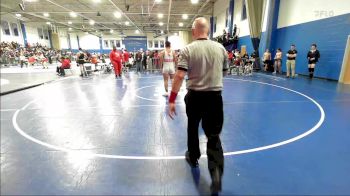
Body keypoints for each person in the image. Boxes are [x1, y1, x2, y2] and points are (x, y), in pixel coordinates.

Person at [168, 17, 228, 194]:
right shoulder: (221, 48)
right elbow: (224, 72)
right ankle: (216, 172)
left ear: (194, 31)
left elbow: (179, 76)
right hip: (215, 97)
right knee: (213, 135)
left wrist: (172, 99)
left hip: (195, 96)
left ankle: (193, 157)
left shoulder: (187, 49)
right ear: (207, 30)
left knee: (192, 127)